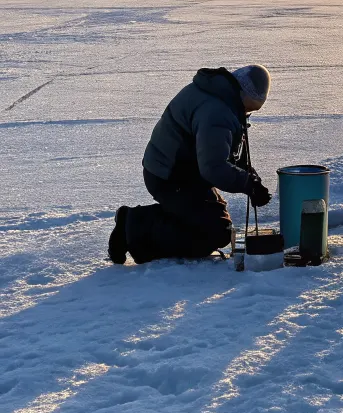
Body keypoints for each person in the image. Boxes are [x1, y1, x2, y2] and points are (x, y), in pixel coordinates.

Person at [107, 64, 273, 264]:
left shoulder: (223, 95)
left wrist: (248, 174)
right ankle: (132, 225)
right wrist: (247, 184)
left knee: (217, 218)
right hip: (168, 176)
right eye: (248, 108)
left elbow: (224, 147)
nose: (246, 114)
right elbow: (213, 167)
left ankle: (161, 218)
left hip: (185, 173)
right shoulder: (217, 111)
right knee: (215, 232)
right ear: (243, 94)